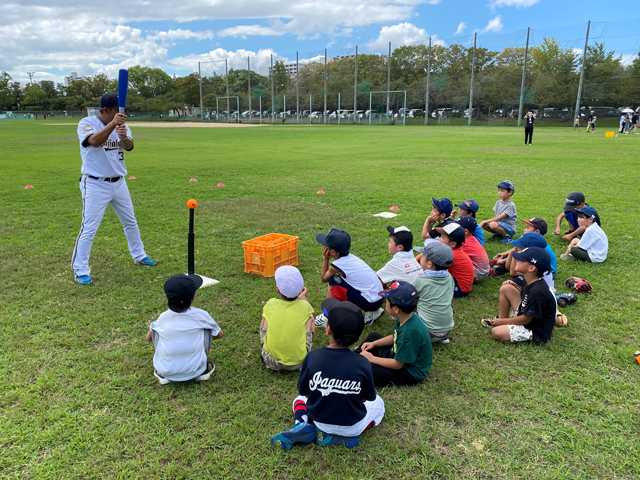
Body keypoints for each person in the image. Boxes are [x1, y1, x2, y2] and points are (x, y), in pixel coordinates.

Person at [271, 299, 384, 450]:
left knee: (298, 400)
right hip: (351, 425)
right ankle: (348, 435)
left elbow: (305, 393)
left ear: (328, 329)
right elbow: (366, 398)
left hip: (320, 421)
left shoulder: (313, 357)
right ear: (357, 337)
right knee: (379, 403)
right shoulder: (362, 362)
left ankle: (301, 423)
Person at [72, 93, 155, 285]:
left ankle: (139, 255)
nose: (123, 115)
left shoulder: (122, 126)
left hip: (119, 182)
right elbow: (93, 141)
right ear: (107, 110)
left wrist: (124, 136)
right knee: (89, 228)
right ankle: (80, 270)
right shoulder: (87, 122)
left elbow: (129, 147)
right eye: (119, 111)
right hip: (94, 183)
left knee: (130, 221)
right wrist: (112, 126)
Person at [146, 274, 223, 384]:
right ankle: (203, 370)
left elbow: (148, 338)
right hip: (196, 370)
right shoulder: (201, 315)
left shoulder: (163, 317)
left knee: (155, 330)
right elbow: (220, 334)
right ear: (193, 298)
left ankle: (162, 373)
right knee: (207, 329)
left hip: (166, 372)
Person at [355, 281, 432, 387]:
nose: (385, 302)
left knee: (368, 370)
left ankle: (355, 367)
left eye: (387, 300)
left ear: (396, 309)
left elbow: (397, 365)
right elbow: (395, 337)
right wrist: (374, 344)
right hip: (398, 354)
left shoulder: (408, 333)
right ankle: (355, 360)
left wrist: (372, 359)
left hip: (408, 371)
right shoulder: (405, 317)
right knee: (373, 338)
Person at [481, 247, 556, 344]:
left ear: (531, 268)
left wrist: (505, 322)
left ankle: (502, 324)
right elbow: (528, 296)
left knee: (496, 333)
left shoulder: (538, 291)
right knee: (506, 288)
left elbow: (526, 319)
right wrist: (515, 286)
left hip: (535, 328)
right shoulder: (531, 280)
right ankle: (501, 319)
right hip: (526, 314)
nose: (517, 260)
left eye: (521, 260)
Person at [315, 228, 384, 326]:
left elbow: (324, 278)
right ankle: (373, 312)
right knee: (344, 280)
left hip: (371, 303)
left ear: (333, 252)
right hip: (379, 299)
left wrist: (325, 258)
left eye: (326, 246)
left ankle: (327, 316)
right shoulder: (352, 258)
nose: (324, 247)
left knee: (333, 279)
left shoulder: (336, 266)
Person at [260, 266, 315, 371]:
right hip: (299, 361)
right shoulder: (305, 306)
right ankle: (306, 350)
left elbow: (265, 314)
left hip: (270, 360)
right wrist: (303, 299)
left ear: (277, 290)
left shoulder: (271, 303)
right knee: (310, 317)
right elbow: (313, 315)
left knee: (265, 316)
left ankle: (266, 347)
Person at [411, 243, 455, 344]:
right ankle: (442, 338)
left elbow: (408, 296)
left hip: (427, 333)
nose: (421, 257)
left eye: (423, 255)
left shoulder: (420, 281)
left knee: (407, 308)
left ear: (429, 264)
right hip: (448, 330)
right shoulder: (449, 277)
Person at [439, 223, 474, 297]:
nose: (439, 239)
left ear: (452, 244)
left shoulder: (450, 255)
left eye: (442, 237)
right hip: (459, 283)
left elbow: (433, 268)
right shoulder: (455, 250)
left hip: (460, 289)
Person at [456, 216, 489, 283]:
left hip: (477, 274)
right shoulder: (472, 239)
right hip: (483, 272)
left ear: (465, 231)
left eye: (456, 229)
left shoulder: (464, 242)